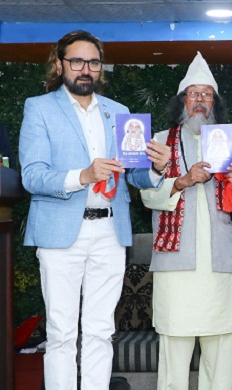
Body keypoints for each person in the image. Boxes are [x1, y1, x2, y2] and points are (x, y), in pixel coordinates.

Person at [18, 30, 169, 390]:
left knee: (101, 330)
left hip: (109, 233)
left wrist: (157, 168)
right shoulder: (39, 108)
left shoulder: (119, 112)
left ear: (101, 67)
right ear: (59, 65)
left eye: (94, 62)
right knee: (61, 333)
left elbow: (134, 175)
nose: (86, 69)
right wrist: (83, 175)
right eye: (77, 61)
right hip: (59, 234)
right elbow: (32, 175)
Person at [139, 52, 232, 390]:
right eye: (193, 94)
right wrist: (182, 181)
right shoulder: (160, 141)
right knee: (175, 347)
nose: (200, 100)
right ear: (182, 101)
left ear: (214, 103)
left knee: (221, 346)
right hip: (176, 267)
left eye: (206, 95)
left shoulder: (227, 145)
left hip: (217, 265)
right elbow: (147, 196)